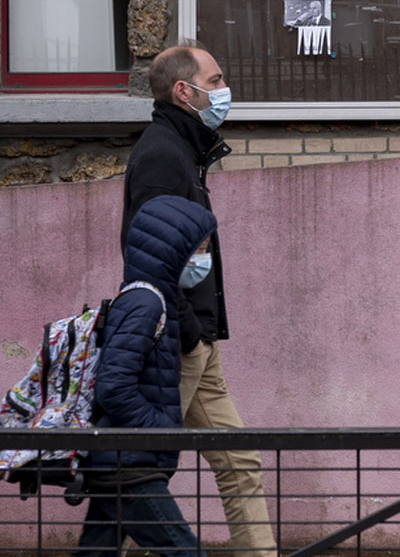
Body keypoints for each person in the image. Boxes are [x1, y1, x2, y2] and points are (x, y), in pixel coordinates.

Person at [122, 42, 277, 557]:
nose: (224, 91)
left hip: (195, 338)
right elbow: (148, 253)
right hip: (178, 341)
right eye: (215, 81)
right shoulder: (163, 155)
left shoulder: (184, 149)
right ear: (183, 91)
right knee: (139, 472)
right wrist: (188, 333)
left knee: (238, 460)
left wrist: (200, 333)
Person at [73, 194, 219, 557]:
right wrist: (158, 428)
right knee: (187, 553)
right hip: (129, 466)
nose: (203, 260)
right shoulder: (146, 302)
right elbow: (114, 385)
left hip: (121, 461)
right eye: (198, 249)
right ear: (172, 252)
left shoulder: (153, 300)